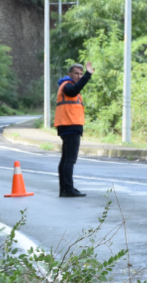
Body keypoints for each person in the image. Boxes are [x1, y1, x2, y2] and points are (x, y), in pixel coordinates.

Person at [54, 62, 94, 198]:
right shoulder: (67, 86)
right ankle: (67, 189)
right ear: (69, 74)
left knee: (66, 159)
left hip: (68, 126)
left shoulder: (66, 86)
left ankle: (65, 188)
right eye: (76, 73)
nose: (79, 76)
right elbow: (74, 90)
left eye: (81, 74)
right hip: (70, 126)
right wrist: (88, 75)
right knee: (70, 160)